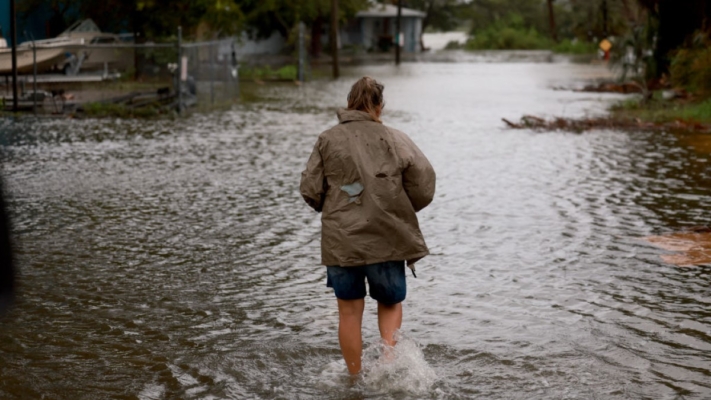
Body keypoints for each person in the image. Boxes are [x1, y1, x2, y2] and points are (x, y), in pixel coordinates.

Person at [300, 76, 436, 375]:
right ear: (379, 106)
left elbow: (310, 190)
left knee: (348, 312)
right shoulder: (396, 138)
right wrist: (396, 206)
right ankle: (387, 371)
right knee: (389, 303)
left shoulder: (326, 139)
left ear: (349, 103)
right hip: (387, 236)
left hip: (341, 240)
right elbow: (424, 185)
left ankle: (353, 379)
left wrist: (336, 207)